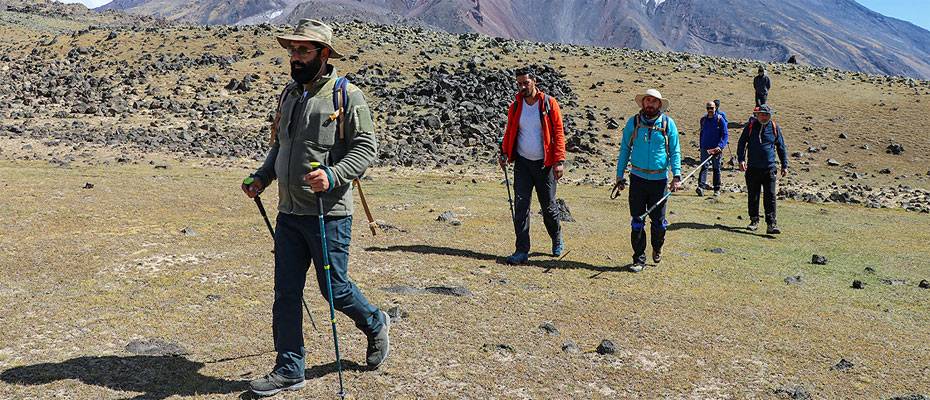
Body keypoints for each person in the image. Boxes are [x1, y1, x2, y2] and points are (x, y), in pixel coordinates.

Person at [240, 19, 389, 396]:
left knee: (334, 289)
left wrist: (334, 175)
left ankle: (374, 322)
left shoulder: (346, 96)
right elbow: (281, 148)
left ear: (324, 54)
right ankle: (289, 368)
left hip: (329, 214)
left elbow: (367, 148)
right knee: (286, 293)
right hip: (289, 213)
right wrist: (262, 177)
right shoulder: (289, 95)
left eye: (304, 50)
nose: (295, 57)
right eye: (292, 50)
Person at [498, 67, 567, 265]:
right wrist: (504, 152)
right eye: (519, 83)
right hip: (522, 163)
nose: (522, 87)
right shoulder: (516, 106)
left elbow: (559, 133)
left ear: (534, 81)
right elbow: (510, 130)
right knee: (521, 207)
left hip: (545, 165)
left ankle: (556, 235)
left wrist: (559, 161)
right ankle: (521, 250)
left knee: (549, 208)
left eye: (525, 83)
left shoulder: (548, 104)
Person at [614, 89, 682, 272]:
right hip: (637, 179)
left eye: (654, 101)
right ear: (643, 103)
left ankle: (657, 246)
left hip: (659, 181)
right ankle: (639, 259)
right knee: (637, 220)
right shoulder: (633, 123)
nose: (650, 104)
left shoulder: (668, 124)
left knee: (658, 223)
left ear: (659, 105)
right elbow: (624, 150)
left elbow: (675, 151)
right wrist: (619, 176)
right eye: (647, 101)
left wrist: (677, 176)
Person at [736, 104, 788, 234]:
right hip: (753, 168)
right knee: (753, 196)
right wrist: (741, 160)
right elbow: (741, 143)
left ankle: (771, 224)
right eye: (762, 114)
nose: (764, 117)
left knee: (770, 196)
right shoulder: (750, 127)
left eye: (767, 115)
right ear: (757, 115)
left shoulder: (775, 128)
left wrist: (784, 165)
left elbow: (781, 147)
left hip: (769, 169)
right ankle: (754, 221)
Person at [697, 101, 728, 196]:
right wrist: (701, 145)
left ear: (715, 108)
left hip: (716, 148)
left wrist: (720, 146)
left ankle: (717, 189)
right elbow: (702, 133)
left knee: (716, 168)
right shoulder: (703, 120)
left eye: (712, 108)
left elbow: (725, 134)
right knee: (704, 166)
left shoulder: (720, 119)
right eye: (708, 108)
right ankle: (701, 187)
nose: (710, 110)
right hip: (705, 148)